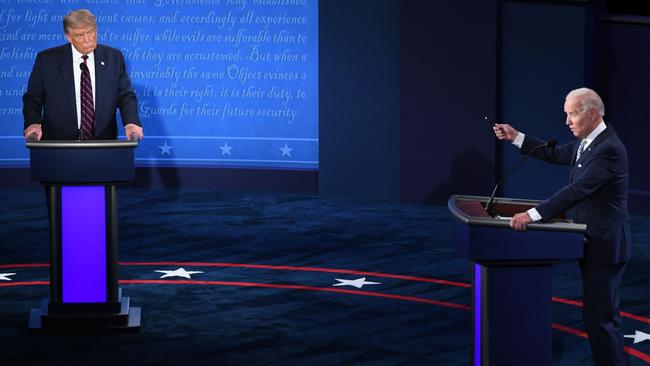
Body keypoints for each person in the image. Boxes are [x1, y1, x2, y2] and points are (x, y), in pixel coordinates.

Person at [494, 87, 630, 365]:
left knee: (600, 320)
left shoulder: (609, 149)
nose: (567, 121)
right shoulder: (588, 142)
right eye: (566, 114)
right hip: (593, 242)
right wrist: (516, 137)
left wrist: (533, 215)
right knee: (598, 318)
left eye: (572, 114)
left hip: (606, 246)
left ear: (592, 113)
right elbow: (553, 154)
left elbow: (578, 189)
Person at [22, 9, 143, 141]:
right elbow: (33, 98)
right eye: (80, 35)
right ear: (68, 37)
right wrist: (33, 123)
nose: (87, 39)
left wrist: (131, 123)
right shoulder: (47, 60)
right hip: (58, 143)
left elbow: (125, 96)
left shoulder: (113, 57)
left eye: (91, 32)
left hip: (103, 143)